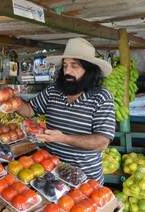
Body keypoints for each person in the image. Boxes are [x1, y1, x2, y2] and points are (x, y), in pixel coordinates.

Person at [16, 38, 115, 185]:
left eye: (74, 66)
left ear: (89, 70)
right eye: (65, 65)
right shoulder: (53, 91)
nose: (67, 71)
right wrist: (14, 103)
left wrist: (63, 138)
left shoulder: (101, 97)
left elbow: (101, 142)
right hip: (51, 172)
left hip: (86, 180)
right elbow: (30, 110)